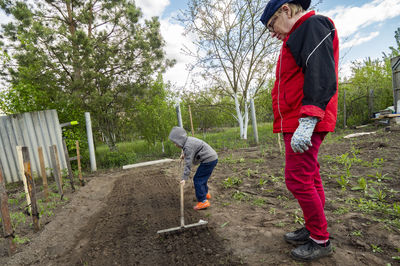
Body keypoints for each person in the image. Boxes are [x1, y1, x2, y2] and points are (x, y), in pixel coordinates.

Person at [260, 0, 339, 262]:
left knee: (297, 179)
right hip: (298, 119)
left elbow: (321, 73)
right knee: (310, 176)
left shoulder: (311, 26)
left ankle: (320, 238)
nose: (272, 32)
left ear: (286, 9)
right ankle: (313, 228)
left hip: (304, 119)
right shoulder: (298, 34)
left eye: (272, 24)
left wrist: (308, 120)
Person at [168, 126, 218, 210]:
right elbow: (193, 151)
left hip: (208, 160)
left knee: (197, 180)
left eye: (175, 142)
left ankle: (203, 201)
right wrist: (184, 155)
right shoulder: (188, 140)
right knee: (202, 178)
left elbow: (188, 164)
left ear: (180, 140)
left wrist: (184, 178)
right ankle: (205, 194)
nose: (175, 144)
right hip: (212, 158)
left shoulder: (187, 147)